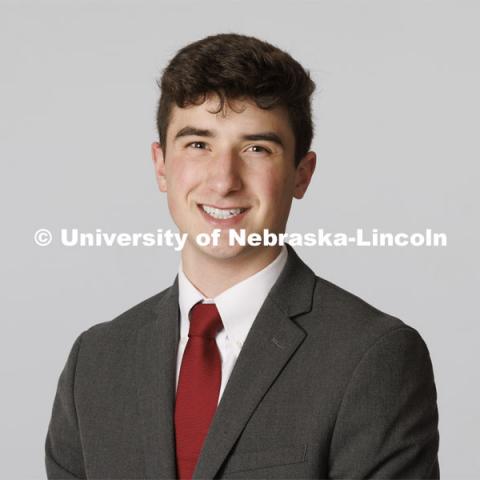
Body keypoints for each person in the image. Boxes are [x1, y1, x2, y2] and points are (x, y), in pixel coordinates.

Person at [45, 33, 440, 479]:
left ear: (301, 175)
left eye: (256, 149)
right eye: (198, 144)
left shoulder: (372, 356)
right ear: (161, 165)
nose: (223, 180)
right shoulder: (96, 361)